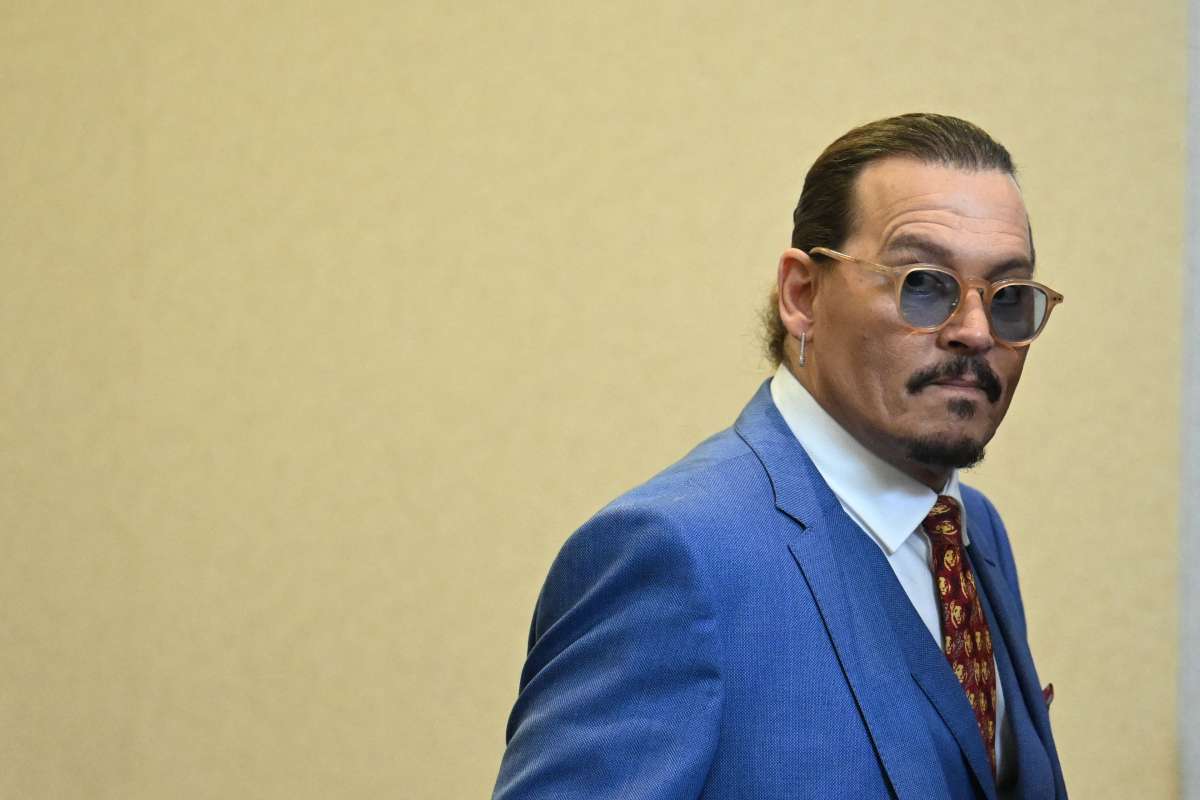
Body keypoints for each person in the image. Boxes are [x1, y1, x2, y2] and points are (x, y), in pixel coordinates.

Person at [493, 113, 1068, 799]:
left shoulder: (970, 532)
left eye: (1009, 298)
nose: (975, 331)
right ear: (802, 296)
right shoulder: (677, 553)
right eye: (922, 283)